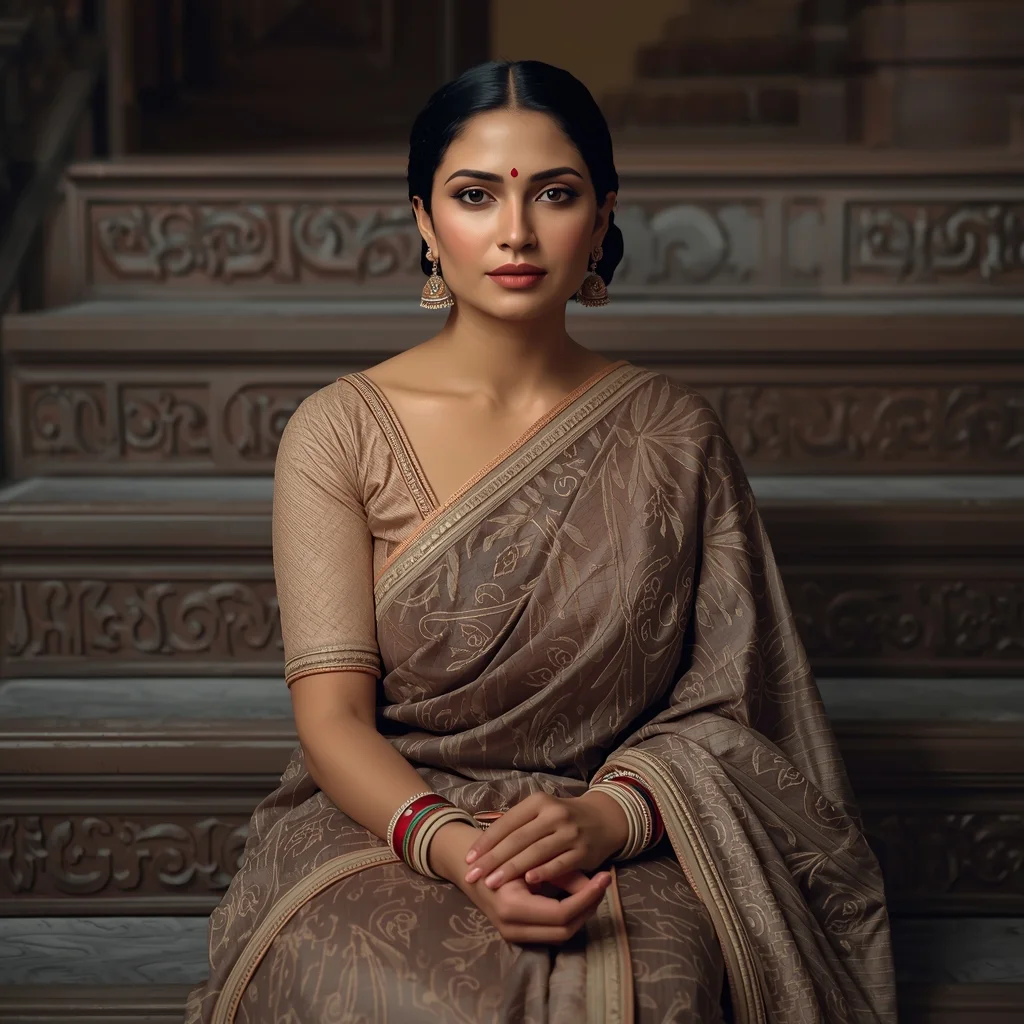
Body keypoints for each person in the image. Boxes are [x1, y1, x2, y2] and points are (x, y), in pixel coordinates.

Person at [185, 59, 896, 1023]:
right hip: (394, 816)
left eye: (554, 195)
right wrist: (457, 849)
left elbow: (735, 699)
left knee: (654, 989)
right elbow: (334, 722)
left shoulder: (670, 432)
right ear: (426, 223)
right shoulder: (338, 431)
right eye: (474, 196)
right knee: (364, 987)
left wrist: (607, 818)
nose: (515, 232)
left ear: (603, 218)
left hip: (623, 820)